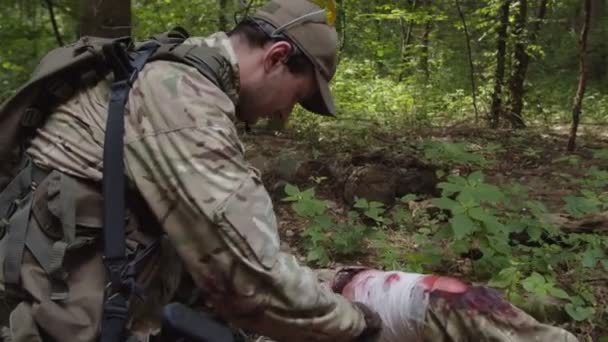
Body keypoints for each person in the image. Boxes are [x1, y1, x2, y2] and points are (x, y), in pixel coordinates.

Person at [0, 0, 382, 341]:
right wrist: (355, 324)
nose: (284, 118)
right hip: (60, 301)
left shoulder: (174, 70)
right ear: (276, 57)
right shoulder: (184, 102)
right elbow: (251, 271)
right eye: (295, 98)